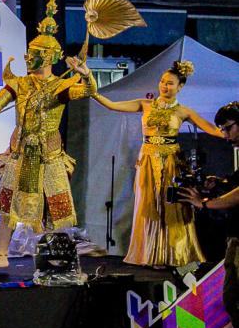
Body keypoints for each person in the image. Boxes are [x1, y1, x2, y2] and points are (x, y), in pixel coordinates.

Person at [0, 0, 94, 274]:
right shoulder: (20, 84)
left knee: (51, 209)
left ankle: (53, 260)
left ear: (50, 57)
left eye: (34, 53)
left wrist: (86, 74)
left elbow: (89, 91)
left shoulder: (60, 86)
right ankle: (0, 255)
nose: (27, 57)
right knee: (7, 205)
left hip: (48, 157)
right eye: (28, 52)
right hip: (20, 153)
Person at [91, 61, 225, 267]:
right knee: (148, 204)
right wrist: (92, 91)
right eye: (162, 82)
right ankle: (151, 254)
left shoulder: (184, 111)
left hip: (171, 161)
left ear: (180, 86)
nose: (164, 86)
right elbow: (112, 105)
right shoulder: (145, 104)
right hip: (147, 160)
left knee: (171, 205)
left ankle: (173, 254)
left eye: (170, 83)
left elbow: (214, 129)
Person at [179, 101, 239, 328]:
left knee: (235, 300)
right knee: (232, 300)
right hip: (235, 238)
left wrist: (205, 204)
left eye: (228, 129)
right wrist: (220, 183)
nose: (225, 136)